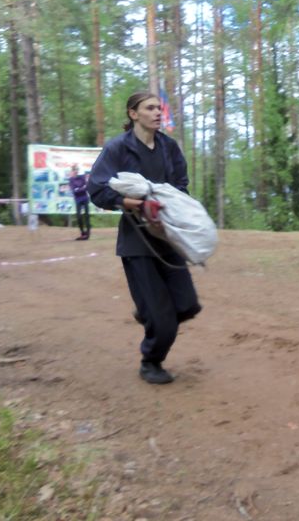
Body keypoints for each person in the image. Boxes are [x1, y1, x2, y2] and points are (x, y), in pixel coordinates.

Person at [87, 91, 202, 385]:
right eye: (149, 108)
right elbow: (97, 190)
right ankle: (150, 361)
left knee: (187, 305)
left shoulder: (169, 147)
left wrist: (174, 208)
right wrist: (135, 203)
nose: (157, 112)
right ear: (133, 114)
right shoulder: (117, 149)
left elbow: (180, 185)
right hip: (137, 241)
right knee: (163, 323)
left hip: (168, 235)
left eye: (159, 108)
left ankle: (149, 313)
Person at [68, 164, 91, 240]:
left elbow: (86, 187)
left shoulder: (82, 177)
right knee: (78, 216)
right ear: (72, 171)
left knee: (87, 216)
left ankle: (87, 234)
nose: (75, 171)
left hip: (84, 198)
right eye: (74, 170)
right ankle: (82, 233)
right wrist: (81, 188)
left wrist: (79, 189)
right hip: (78, 199)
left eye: (76, 170)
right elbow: (74, 191)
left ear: (78, 171)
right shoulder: (71, 180)